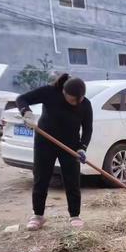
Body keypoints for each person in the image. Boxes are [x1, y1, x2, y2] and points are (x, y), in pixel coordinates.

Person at [16, 73, 93, 230]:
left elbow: (87, 129)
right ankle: (38, 216)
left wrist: (82, 147)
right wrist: (27, 113)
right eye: (71, 99)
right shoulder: (49, 92)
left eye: (77, 100)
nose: (74, 103)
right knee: (41, 178)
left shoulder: (85, 104)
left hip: (70, 146)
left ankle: (75, 215)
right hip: (45, 142)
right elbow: (21, 99)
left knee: (72, 181)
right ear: (63, 92)